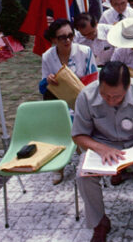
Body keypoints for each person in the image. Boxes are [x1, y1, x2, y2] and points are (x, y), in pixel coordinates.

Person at [73, 61, 133, 242]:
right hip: (102, 147)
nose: (111, 100)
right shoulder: (86, 96)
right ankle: (99, 223)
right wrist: (101, 149)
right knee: (82, 175)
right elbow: (78, 135)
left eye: (117, 97)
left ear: (128, 87)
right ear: (99, 85)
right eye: (105, 95)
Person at [40, 19, 98, 184]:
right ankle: (59, 165)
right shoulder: (47, 56)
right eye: (62, 37)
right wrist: (48, 81)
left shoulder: (84, 52)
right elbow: (43, 87)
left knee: (80, 120)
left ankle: (85, 158)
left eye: (70, 36)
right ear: (54, 39)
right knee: (58, 120)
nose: (67, 40)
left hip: (84, 99)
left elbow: (93, 80)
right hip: (60, 102)